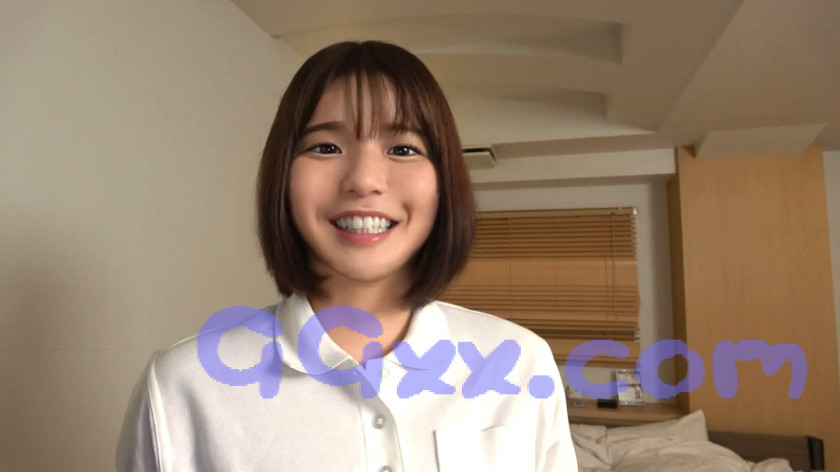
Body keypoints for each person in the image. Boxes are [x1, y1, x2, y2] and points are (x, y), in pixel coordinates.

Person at [117, 40, 577, 471]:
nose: (364, 179)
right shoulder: (182, 386)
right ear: (282, 176)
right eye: (326, 147)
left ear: (444, 181)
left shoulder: (520, 363)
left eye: (403, 148)